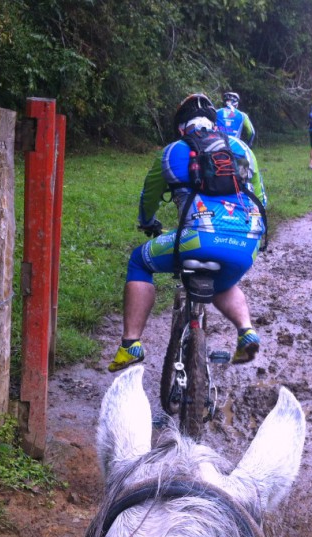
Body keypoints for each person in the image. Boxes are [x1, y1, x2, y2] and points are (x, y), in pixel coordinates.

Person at [108, 93, 267, 372]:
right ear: (214, 124)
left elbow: (149, 197)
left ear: (182, 127)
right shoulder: (243, 150)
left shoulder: (172, 151)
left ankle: (130, 344)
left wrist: (148, 222)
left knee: (138, 261)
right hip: (245, 244)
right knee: (224, 284)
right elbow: (261, 200)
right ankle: (246, 331)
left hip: (197, 238)